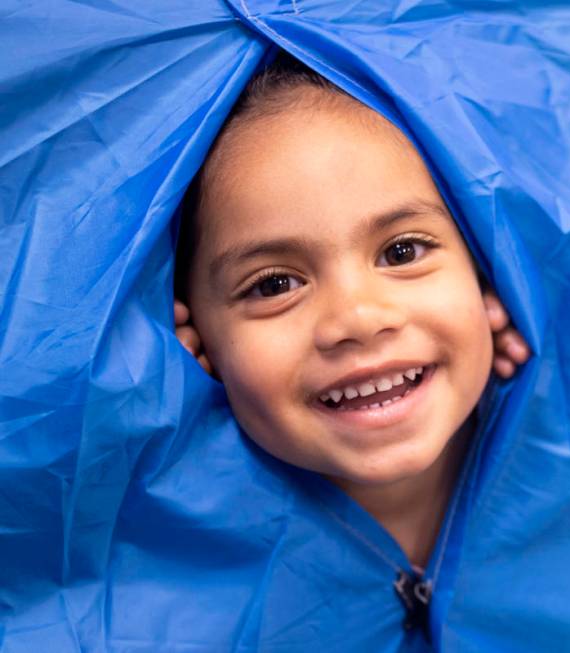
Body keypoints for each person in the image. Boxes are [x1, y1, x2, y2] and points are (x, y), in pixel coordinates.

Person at [172, 53, 529, 572]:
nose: (359, 319)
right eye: (274, 285)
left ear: (487, 278)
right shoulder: (177, 565)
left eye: (402, 253)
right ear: (196, 339)